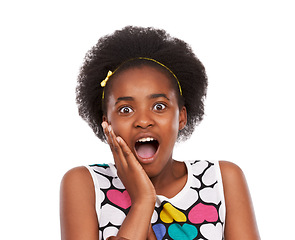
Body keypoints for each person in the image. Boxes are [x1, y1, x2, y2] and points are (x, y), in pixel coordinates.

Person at [60, 26, 260, 240]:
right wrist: (143, 201)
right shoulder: (85, 185)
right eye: (125, 109)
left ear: (181, 117)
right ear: (107, 122)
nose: (143, 121)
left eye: (159, 106)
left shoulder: (222, 181)